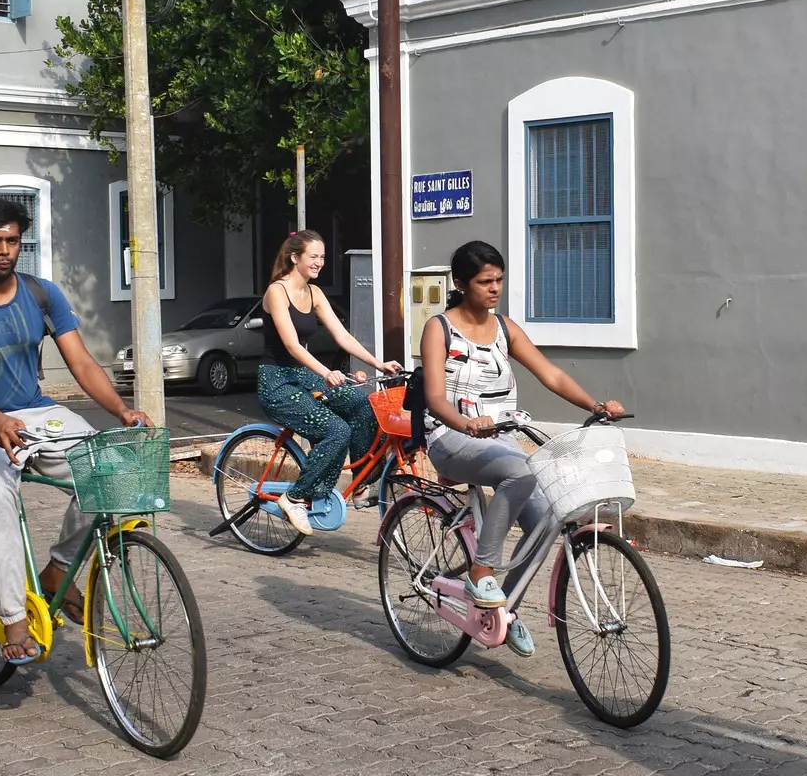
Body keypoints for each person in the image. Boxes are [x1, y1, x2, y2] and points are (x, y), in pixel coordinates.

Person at [0, 196, 148, 665]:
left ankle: (57, 574)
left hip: (36, 412)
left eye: (12, 241)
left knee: (111, 469)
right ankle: (12, 618)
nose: (3, 250)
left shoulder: (42, 293)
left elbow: (81, 362)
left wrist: (121, 409)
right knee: (0, 499)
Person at [420, 240, 625, 658]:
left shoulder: (506, 328)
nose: (494, 288)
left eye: (499, 279)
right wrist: (465, 422)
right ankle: (481, 572)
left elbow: (550, 373)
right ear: (460, 284)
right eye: (484, 281)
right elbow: (436, 399)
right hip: (450, 436)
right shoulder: (438, 328)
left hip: (500, 438)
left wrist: (596, 405)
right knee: (522, 472)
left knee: (548, 517)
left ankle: (503, 610)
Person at [256, 231, 402, 536]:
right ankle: (295, 497)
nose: (319, 263)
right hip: (277, 382)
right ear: (295, 257)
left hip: (303, 377)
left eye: (322, 257)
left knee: (363, 405)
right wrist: (326, 372)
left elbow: (343, 336)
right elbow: (293, 345)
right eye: (313, 256)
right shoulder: (276, 292)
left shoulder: (315, 293)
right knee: (337, 430)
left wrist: (378, 363)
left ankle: (360, 485)